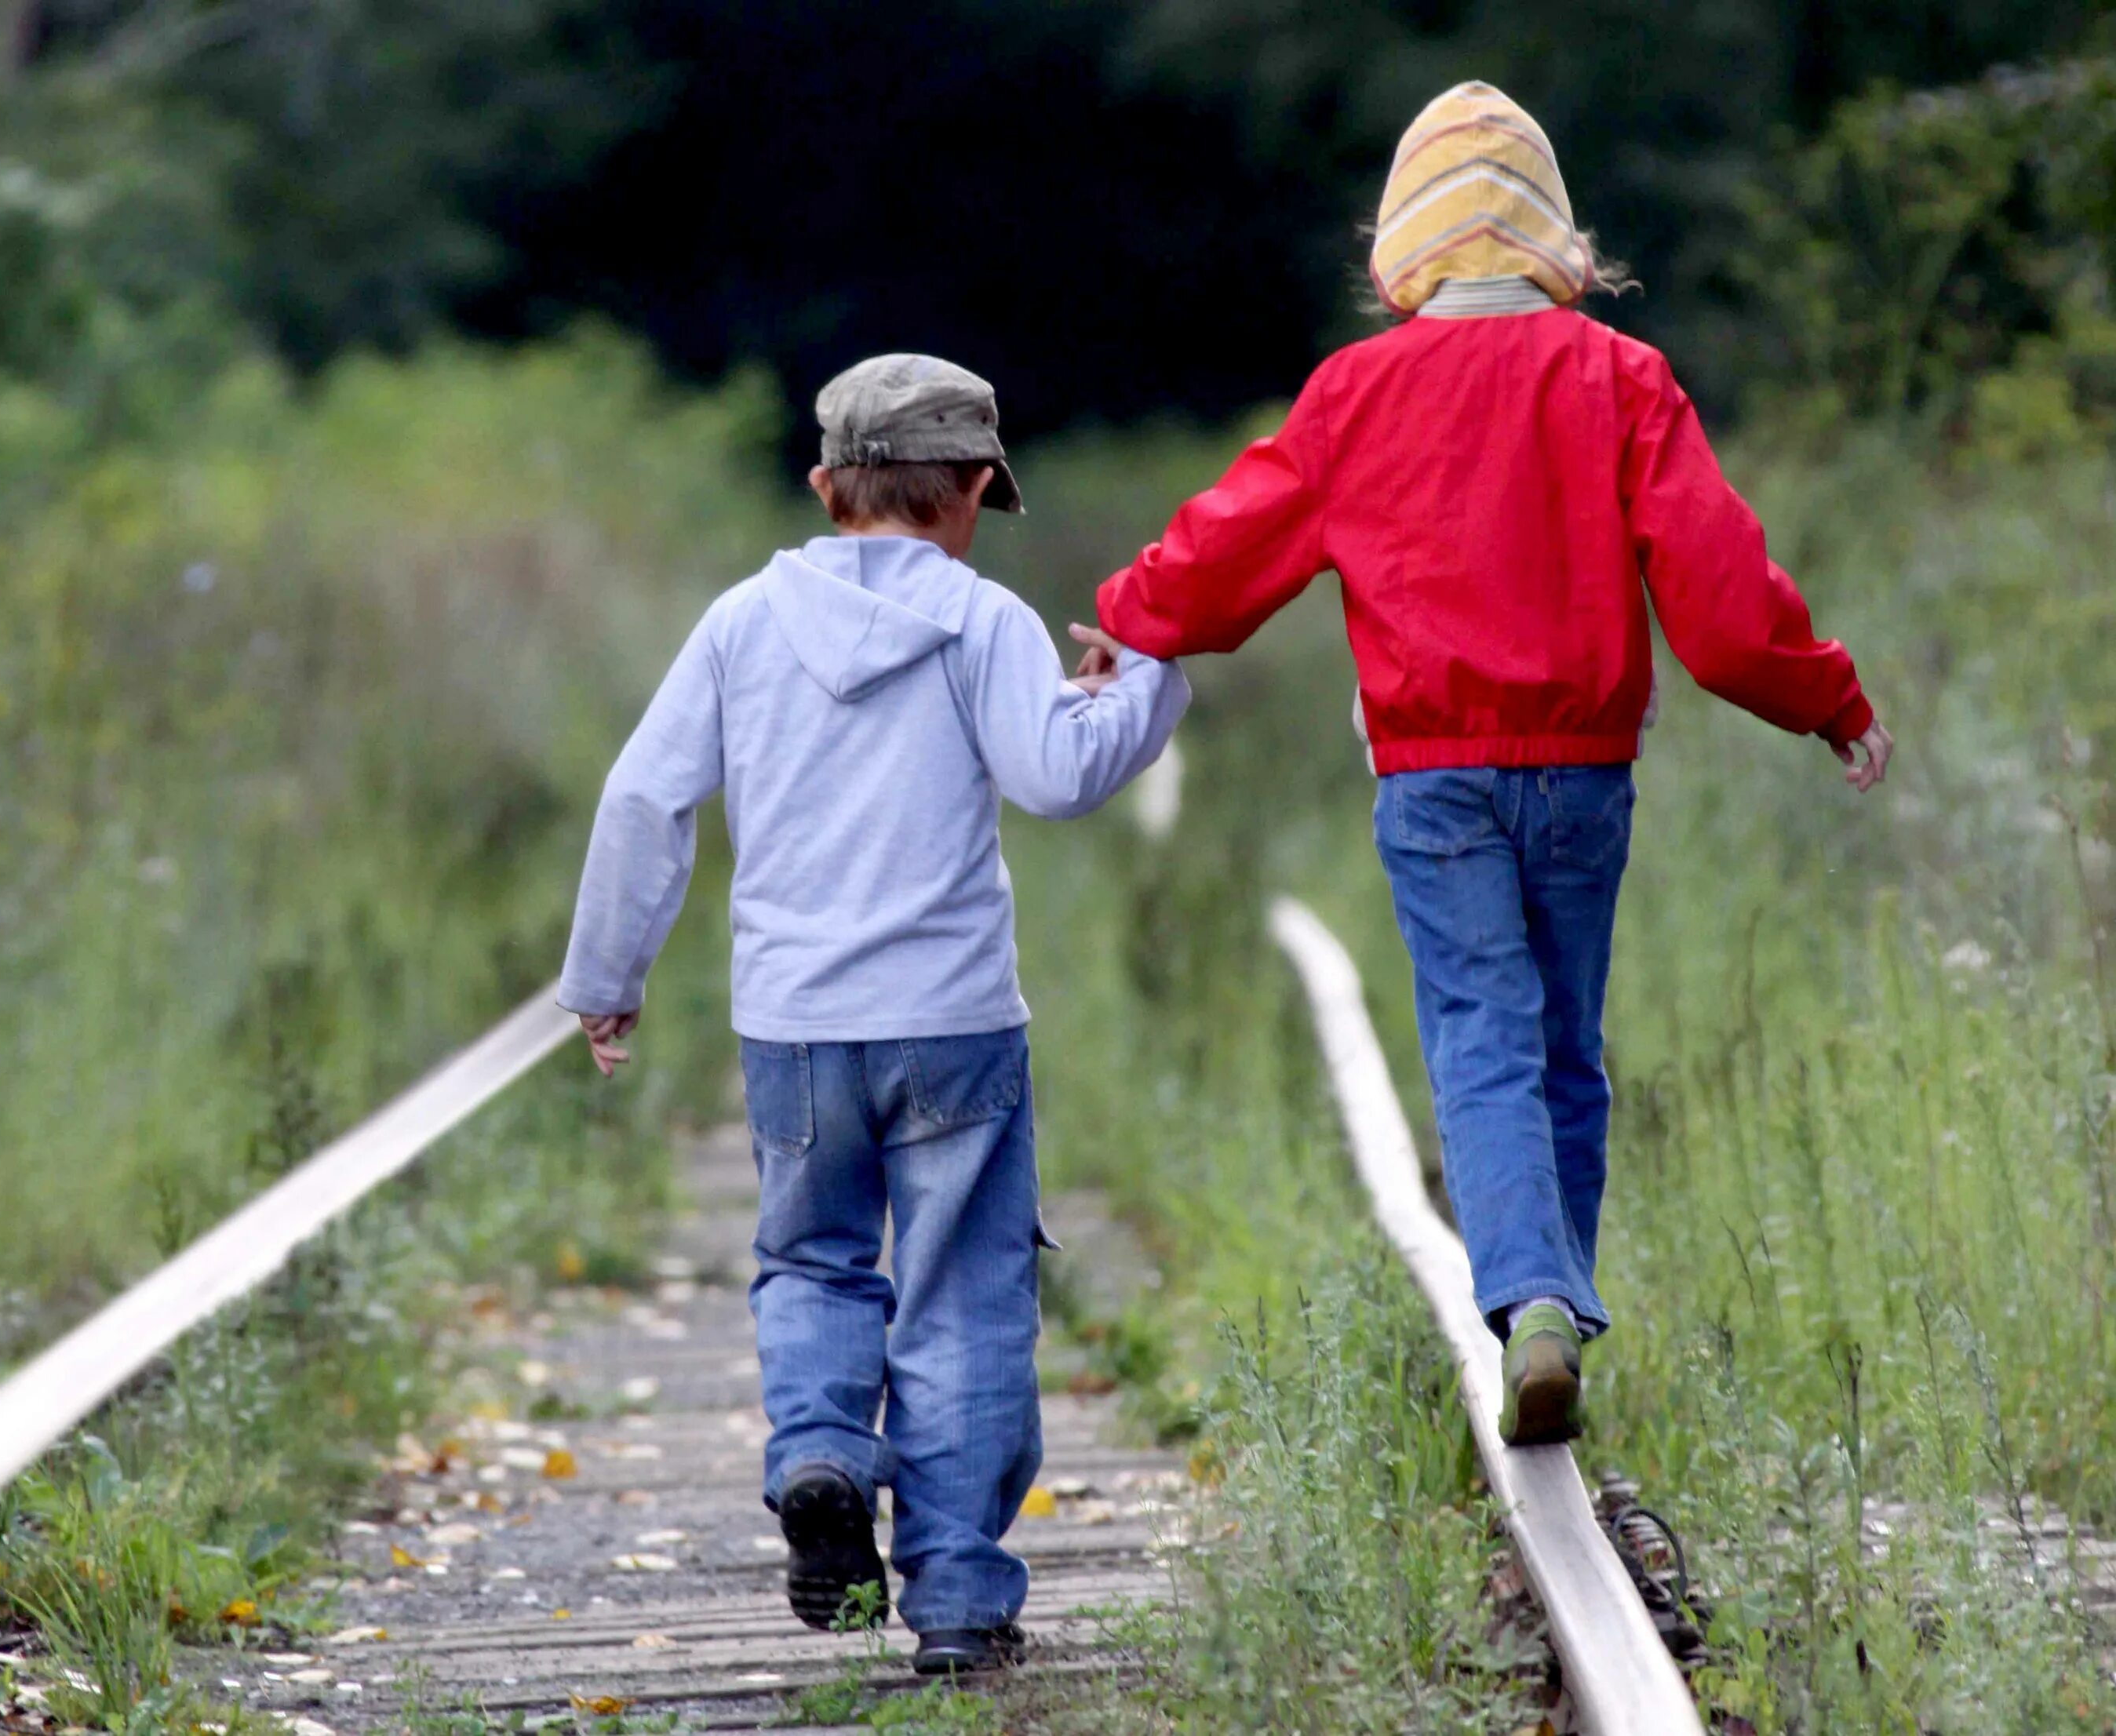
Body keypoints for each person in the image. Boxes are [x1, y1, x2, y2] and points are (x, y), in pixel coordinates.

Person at [1083, 82, 1892, 1447]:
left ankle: (1527, 1300)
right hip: (1583, 778)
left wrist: (1123, 618)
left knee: (1481, 1037)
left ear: (1403, 246)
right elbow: (1723, 596)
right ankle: (1553, 1305)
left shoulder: (1356, 392)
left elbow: (1226, 555)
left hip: (1436, 782)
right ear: (1552, 242)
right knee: (1568, 1048)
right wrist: (1826, 700)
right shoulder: (1623, 378)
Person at [557, 354, 1189, 1670]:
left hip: (792, 1024)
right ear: (969, 491)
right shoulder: (985, 622)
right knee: (963, 1293)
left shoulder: (740, 623)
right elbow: (1059, 775)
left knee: (812, 1260)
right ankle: (958, 1604)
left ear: (823, 484)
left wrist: (607, 979)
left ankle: (825, 1454)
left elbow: (643, 800)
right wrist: (1146, 680)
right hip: (954, 1019)